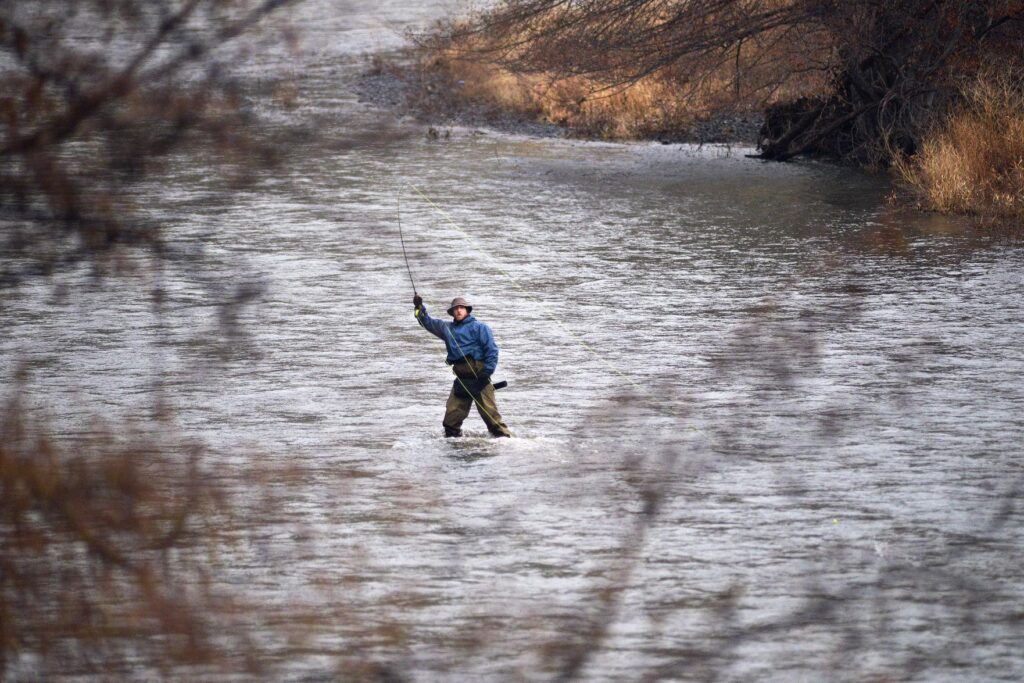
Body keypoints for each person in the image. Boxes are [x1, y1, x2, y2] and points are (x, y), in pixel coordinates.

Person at [413, 294, 512, 438]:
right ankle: (455, 449)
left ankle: (506, 444)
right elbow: (426, 322)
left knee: (493, 421)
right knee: (450, 421)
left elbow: (492, 351)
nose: (459, 311)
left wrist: (486, 375)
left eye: (461, 308)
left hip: (480, 379)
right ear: (452, 312)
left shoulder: (480, 327)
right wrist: (418, 307)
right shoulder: (445, 328)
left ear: (467, 310)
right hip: (461, 380)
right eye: (456, 309)